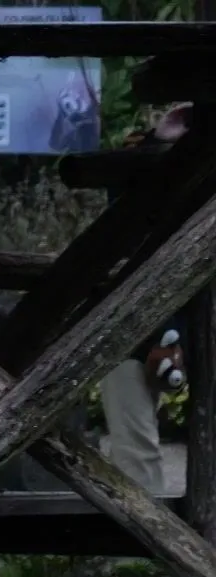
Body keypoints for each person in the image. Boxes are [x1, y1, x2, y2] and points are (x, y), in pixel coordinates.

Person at [101, 103, 193, 495]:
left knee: (137, 449)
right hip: (133, 322)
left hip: (185, 317)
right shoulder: (148, 157)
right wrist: (158, 143)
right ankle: (145, 527)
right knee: (135, 452)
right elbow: (120, 221)